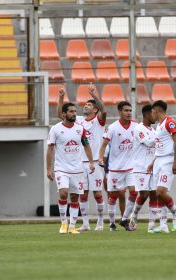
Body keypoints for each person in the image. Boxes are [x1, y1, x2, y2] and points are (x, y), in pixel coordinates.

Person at [58, 84, 106, 231]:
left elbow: (104, 110)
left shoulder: (99, 120)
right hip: (79, 164)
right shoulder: (78, 120)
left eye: (89, 105)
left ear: (95, 109)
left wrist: (94, 96)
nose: (85, 106)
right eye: (85, 104)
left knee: (97, 193)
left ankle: (100, 221)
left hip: (95, 163)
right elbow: (61, 114)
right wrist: (61, 98)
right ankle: (85, 224)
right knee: (82, 194)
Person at [47, 102, 95, 234]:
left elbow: (86, 146)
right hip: (61, 168)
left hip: (77, 169)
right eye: (71, 111)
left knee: (74, 197)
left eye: (75, 111)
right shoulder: (55, 129)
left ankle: (72, 226)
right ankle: (63, 223)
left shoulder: (80, 129)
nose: (74, 113)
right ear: (64, 114)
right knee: (63, 193)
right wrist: (48, 169)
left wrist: (91, 162)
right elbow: (50, 149)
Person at [99, 101, 137, 231]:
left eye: (130, 110)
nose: (129, 113)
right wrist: (100, 158)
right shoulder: (113, 128)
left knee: (134, 192)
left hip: (131, 168)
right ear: (120, 112)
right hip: (115, 169)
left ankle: (125, 219)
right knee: (113, 195)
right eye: (126, 110)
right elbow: (104, 145)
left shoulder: (136, 126)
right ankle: (111, 223)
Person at [148, 100, 176, 233]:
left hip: (168, 160)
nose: (151, 114)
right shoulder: (159, 126)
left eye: (152, 112)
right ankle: (163, 225)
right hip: (158, 161)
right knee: (158, 194)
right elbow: (160, 146)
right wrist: (153, 162)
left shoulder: (169, 122)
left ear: (156, 111)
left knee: (160, 191)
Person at [129, 105, 158, 232]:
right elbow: (149, 142)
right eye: (153, 113)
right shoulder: (138, 129)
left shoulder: (154, 130)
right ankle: (134, 215)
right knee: (144, 194)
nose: (155, 116)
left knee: (154, 194)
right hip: (140, 167)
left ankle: (151, 224)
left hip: (152, 167)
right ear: (147, 114)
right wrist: (163, 136)